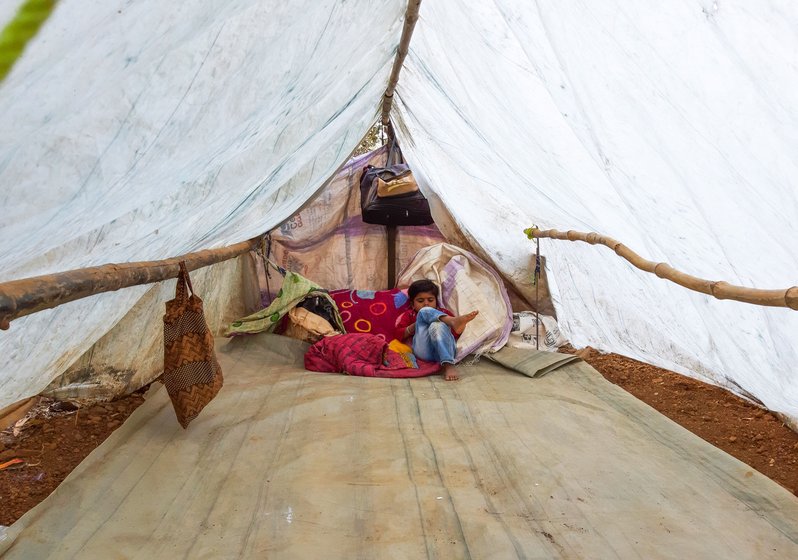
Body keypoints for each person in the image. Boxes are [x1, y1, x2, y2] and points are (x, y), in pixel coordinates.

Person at [394, 279, 478, 381]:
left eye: (430, 300)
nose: (426, 304)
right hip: (424, 352)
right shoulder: (409, 315)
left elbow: (453, 336)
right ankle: (452, 322)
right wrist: (416, 325)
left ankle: (448, 364)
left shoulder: (443, 312)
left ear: (436, 301)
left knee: (436, 325)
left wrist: (455, 328)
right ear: (412, 304)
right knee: (424, 312)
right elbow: (397, 334)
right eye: (420, 301)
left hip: (444, 349)